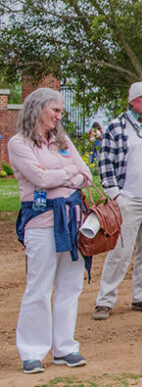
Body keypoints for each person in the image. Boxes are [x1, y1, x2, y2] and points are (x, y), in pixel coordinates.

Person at [11, 88, 92, 374]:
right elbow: (39, 178)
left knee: (70, 286)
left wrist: (68, 177)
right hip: (41, 221)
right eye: (54, 110)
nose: (59, 116)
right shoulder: (18, 143)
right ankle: (32, 351)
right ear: (37, 109)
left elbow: (86, 175)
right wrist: (69, 175)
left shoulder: (62, 140)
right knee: (39, 286)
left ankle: (65, 347)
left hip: (72, 220)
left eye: (60, 111)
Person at [93, 82, 142, 321]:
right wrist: (115, 194)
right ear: (131, 100)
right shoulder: (117, 126)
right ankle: (105, 299)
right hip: (128, 199)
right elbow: (105, 162)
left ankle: (141, 296)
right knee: (120, 252)